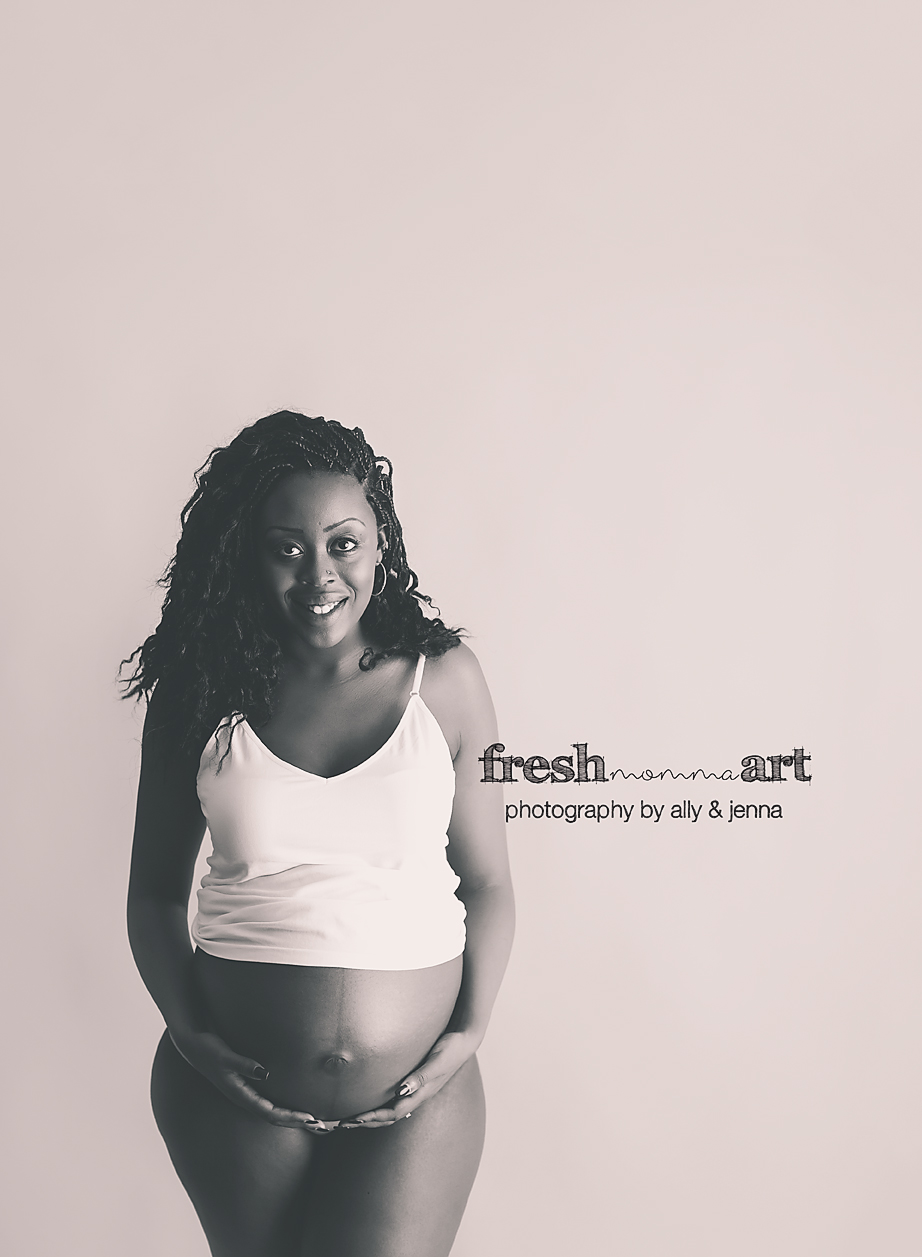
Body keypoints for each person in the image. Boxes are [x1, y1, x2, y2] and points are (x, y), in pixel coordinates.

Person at [124, 411, 515, 1257]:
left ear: (381, 544)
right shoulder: (200, 692)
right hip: (234, 1096)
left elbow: (487, 881)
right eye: (287, 548)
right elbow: (153, 894)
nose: (319, 575)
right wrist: (191, 1035)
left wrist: (469, 1031)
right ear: (246, 552)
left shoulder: (446, 682)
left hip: (418, 1100)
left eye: (343, 543)